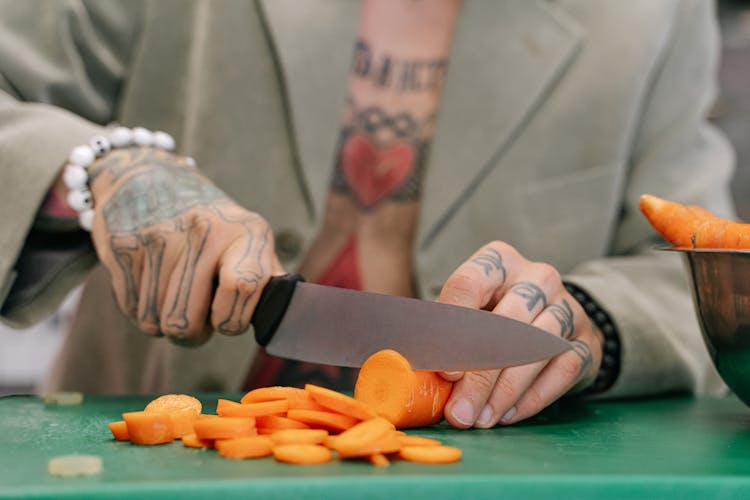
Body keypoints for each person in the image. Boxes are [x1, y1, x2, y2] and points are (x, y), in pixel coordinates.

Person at [0, 0, 733, 429]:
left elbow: (690, 272)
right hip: (133, 454)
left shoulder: (655, 17)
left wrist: (593, 323)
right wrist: (104, 170)